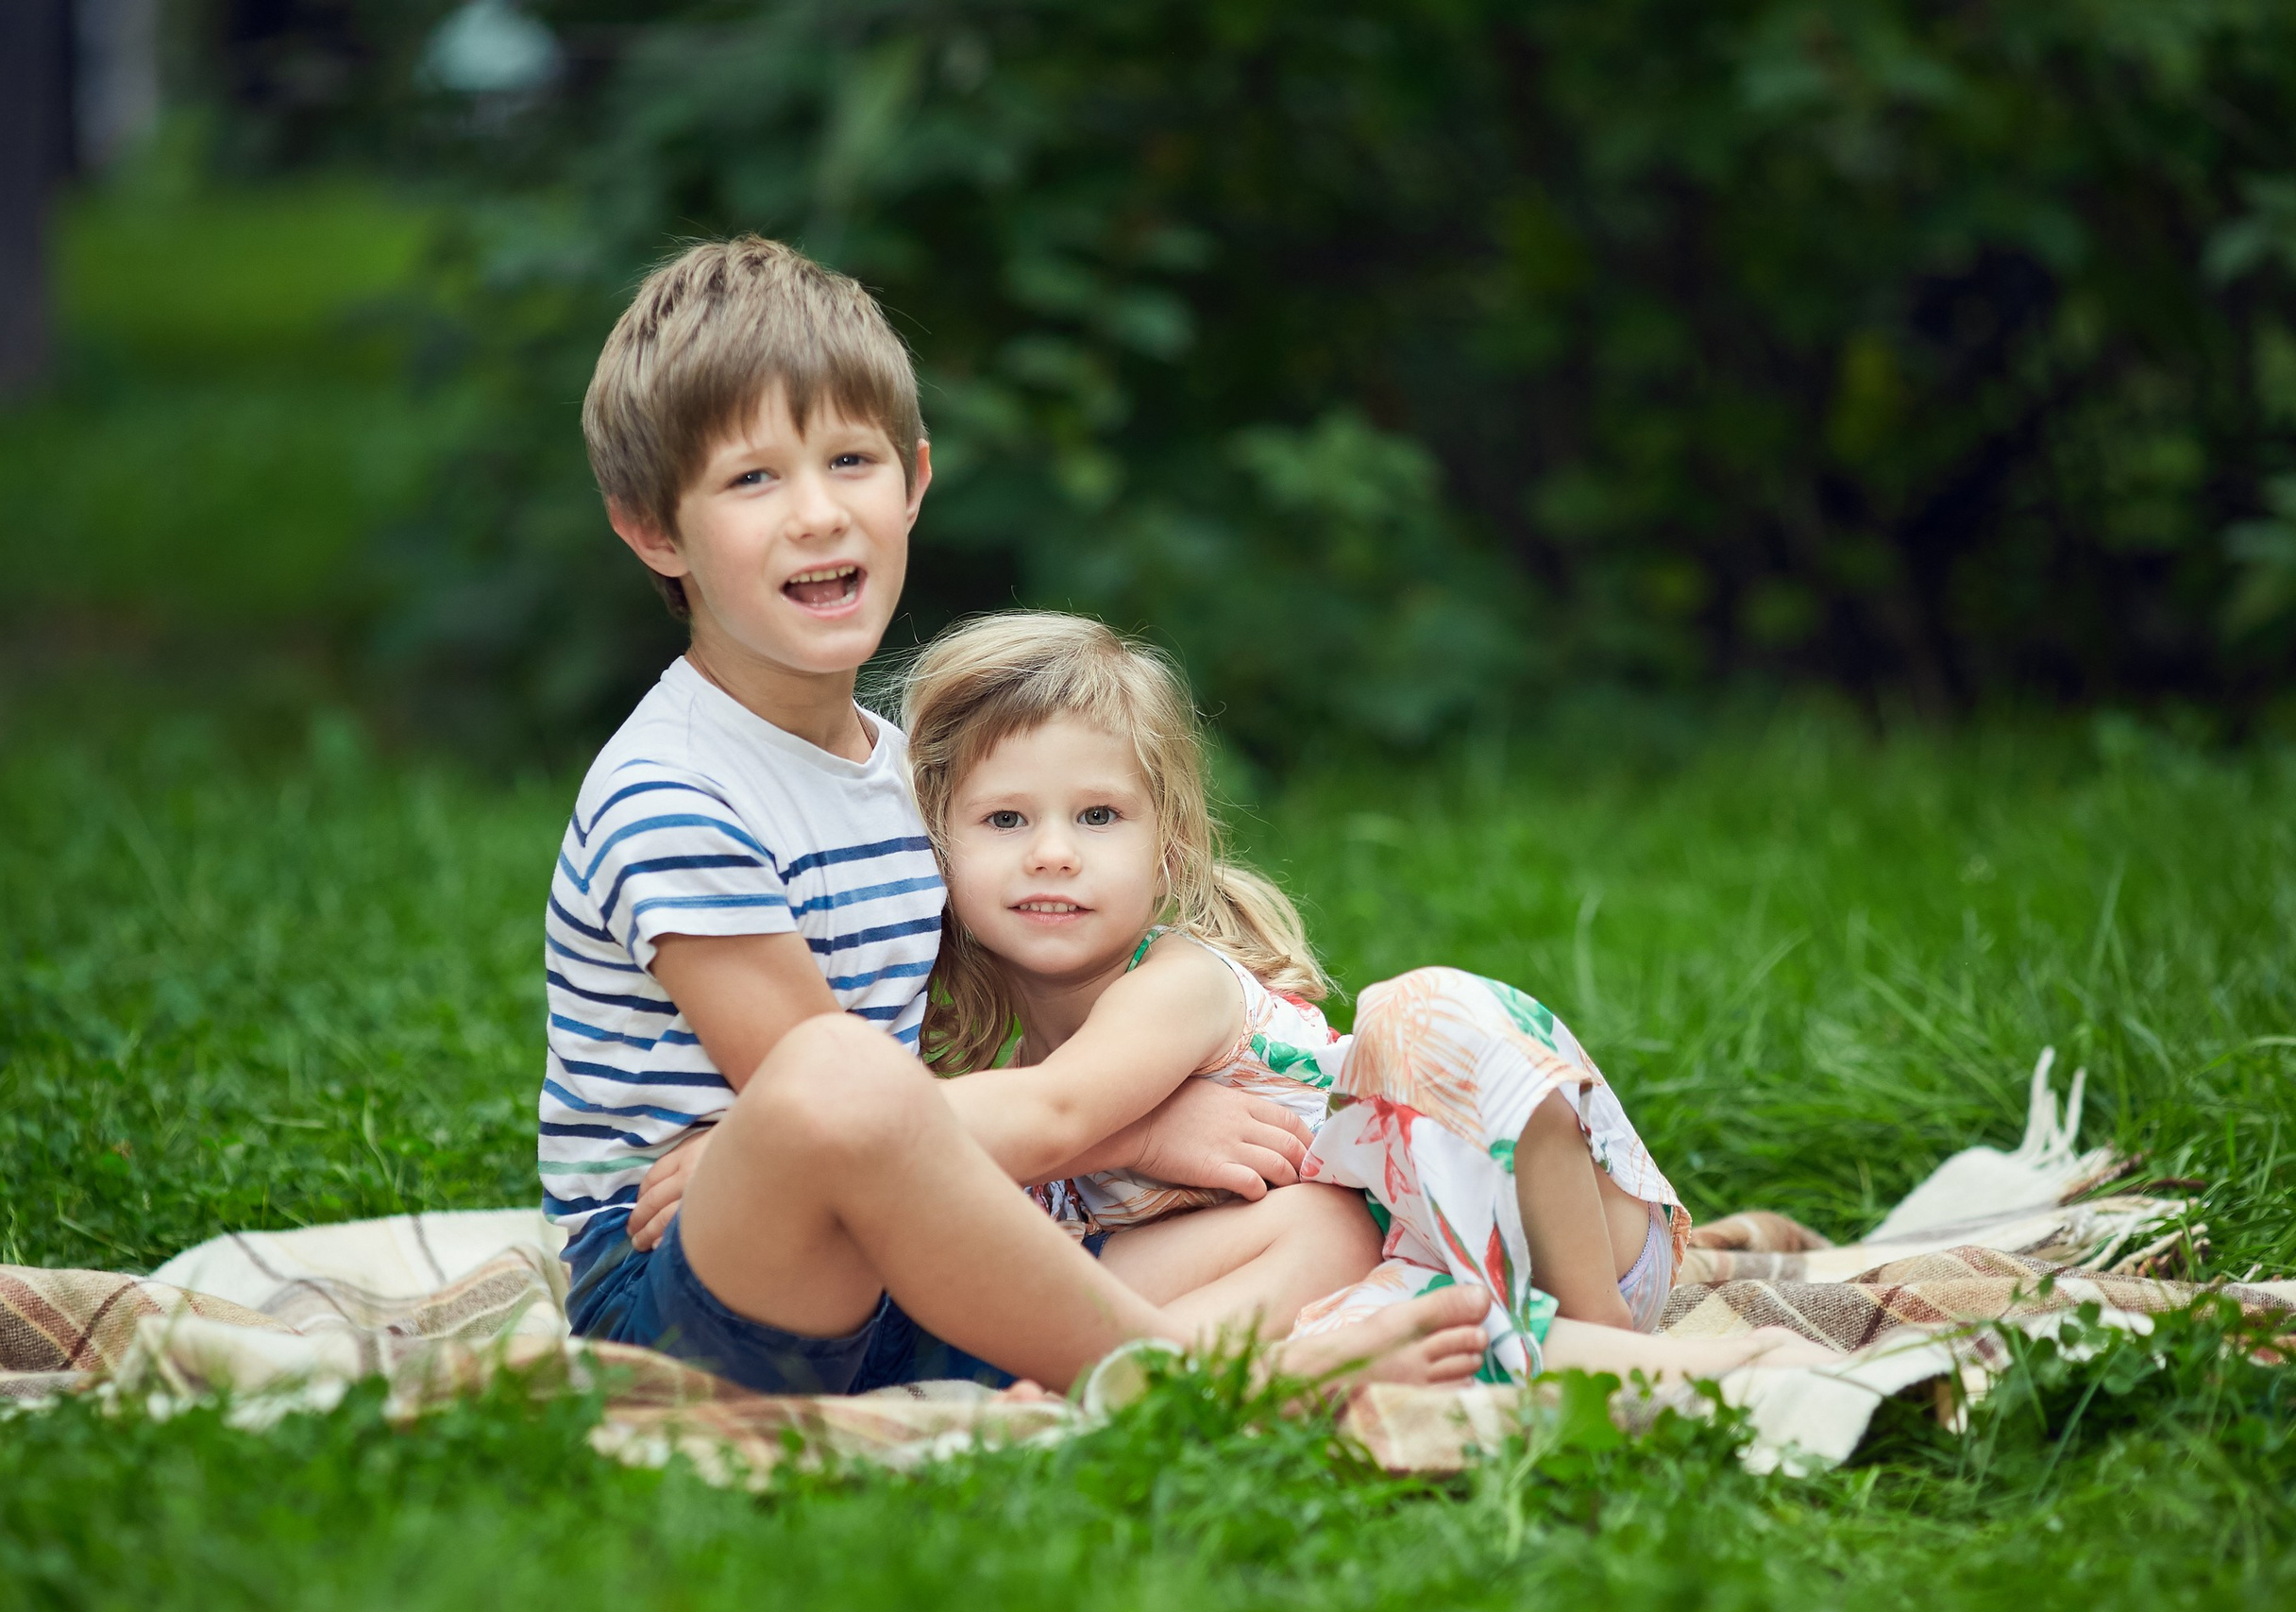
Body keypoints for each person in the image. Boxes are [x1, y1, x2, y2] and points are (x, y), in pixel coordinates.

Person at [541, 235, 1495, 1397]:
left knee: (1323, 1223)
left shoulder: (903, 778)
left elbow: (922, 1112)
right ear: (652, 528)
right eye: (753, 479)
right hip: (691, 1289)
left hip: (896, 1253)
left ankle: (1120, 1360)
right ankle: (1198, 1377)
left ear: (915, 483)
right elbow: (841, 1108)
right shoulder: (674, 794)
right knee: (837, 1071)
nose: (816, 515)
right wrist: (1128, 1138)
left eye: (850, 460)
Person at [896, 611, 1835, 1381]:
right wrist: (1135, 1140)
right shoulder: (999, 1066)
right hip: (1390, 1295)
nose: (1052, 851)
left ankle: (1608, 1349)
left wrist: (1117, 1136)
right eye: (1004, 818)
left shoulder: (1172, 986)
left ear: (1168, 848)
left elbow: (1043, 1115)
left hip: (1550, 1227)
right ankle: (1166, 1377)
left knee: (1420, 1008)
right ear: (935, 846)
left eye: (1096, 816)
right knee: (1334, 1292)